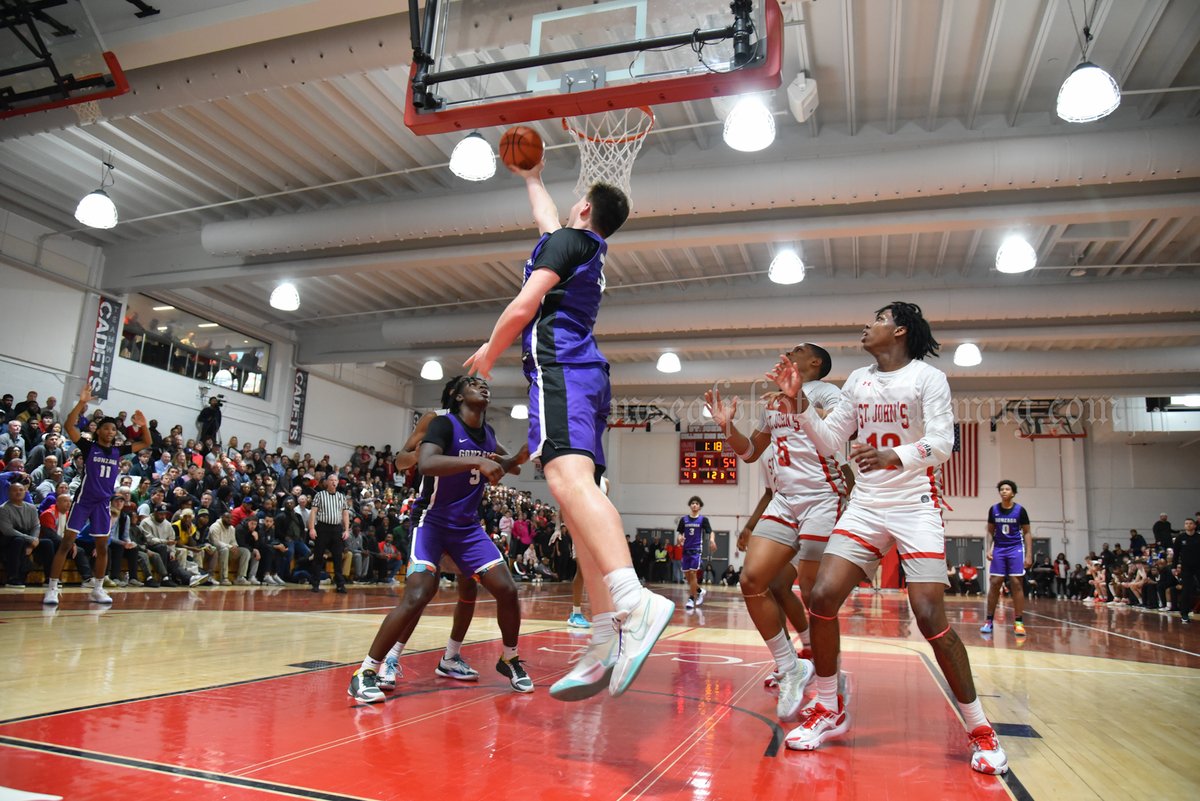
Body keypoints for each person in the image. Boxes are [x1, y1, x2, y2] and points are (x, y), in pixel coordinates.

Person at [463, 158, 675, 702]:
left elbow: (524, 304)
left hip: (561, 368)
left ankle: (633, 601)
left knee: (568, 485)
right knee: (577, 508)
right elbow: (546, 220)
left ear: (583, 210)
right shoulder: (582, 246)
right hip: (581, 373)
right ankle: (604, 639)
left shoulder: (569, 244)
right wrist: (531, 178)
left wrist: (489, 354)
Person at [766, 301, 1007, 774]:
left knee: (929, 617)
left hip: (915, 504)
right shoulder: (857, 380)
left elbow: (943, 442)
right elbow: (831, 442)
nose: (866, 325)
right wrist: (797, 404)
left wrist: (892, 455)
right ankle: (829, 708)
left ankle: (980, 727)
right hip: (868, 504)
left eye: (877, 319)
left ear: (899, 331)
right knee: (821, 597)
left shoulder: (927, 378)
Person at [347, 376, 531, 702]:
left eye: (485, 384)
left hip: (467, 527)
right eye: (474, 384)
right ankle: (369, 668)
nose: (483, 387)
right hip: (431, 521)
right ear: (458, 395)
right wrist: (478, 460)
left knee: (505, 588)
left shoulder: (488, 434)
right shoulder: (441, 423)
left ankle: (505, 658)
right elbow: (425, 463)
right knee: (420, 591)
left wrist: (522, 454)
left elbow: (506, 467)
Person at [706, 344, 847, 717]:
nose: (789, 351)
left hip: (823, 496)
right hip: (785, 499)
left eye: (798, 350)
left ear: (815, 363)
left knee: (817, 595)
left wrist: (796, 397)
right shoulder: (771, 402)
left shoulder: (828, 392)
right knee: (752, 580)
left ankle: (832, 678)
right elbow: (752, 452)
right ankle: (791, 667)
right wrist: (727, 428)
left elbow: (837, 435)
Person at [42, 387, 152, 605]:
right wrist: (81, 403)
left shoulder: (117, 452)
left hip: (103, 503)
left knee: (103, 547)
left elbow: (146, 443)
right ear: (99, 431)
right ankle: (52, 588)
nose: (111, 431)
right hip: (83, 501)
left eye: (114, 429)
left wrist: (144, 425)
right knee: (66, 544)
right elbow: (68, 426)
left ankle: (98, 588)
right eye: (107, 428)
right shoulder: (88, 446)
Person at [980, 480, 1032, 637]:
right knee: (995, 583)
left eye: (1007, 489)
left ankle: (1019, 622)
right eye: (1001, 489)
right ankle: (989, 621)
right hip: (999, 549)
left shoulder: (1020, 511)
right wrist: (988, 549)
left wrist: (1029, 554)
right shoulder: (994, 510)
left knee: (1016, 583)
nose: (1004, 491)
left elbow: (1027, 532)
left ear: (1013, 493)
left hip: (1015, 548)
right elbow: (990, 531)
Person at [308, 474, 350, 593]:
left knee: (338, 557)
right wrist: (312, 528)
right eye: (331, 480)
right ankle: (315, 583)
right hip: (322, 527)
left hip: (336, 529)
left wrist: (346, 529)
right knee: (318, 556)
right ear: (326, 482)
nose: (333, 482)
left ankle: (340, 584)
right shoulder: (319, 495)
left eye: (335, 480)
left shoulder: (341, 497)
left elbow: (345, 514)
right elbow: (313, 512)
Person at [676, 496, 716, 611]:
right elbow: (679, 533)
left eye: (696, 503)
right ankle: (699, 591)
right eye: (692, 503)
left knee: (693, 574)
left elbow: (711, 532)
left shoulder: (703, 520)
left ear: (700, 506)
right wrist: (679, 539)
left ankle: (691, 598)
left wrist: (712, 540)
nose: (694, 505)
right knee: (688, 578)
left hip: (696, 550)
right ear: (690, 505)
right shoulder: (684, 520)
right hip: (685, 550)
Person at [1174, 518, 1198, 623]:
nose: (1188, 525)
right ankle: (1184, 614)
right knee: (1186, 590)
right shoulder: (1180, 538)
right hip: (1186, 567)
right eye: (1186, 524)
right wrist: (1174, 567)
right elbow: (1176, 554)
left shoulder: (1199, 537)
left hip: (1199, 566)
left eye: (1190, 523)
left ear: (1194, 525)